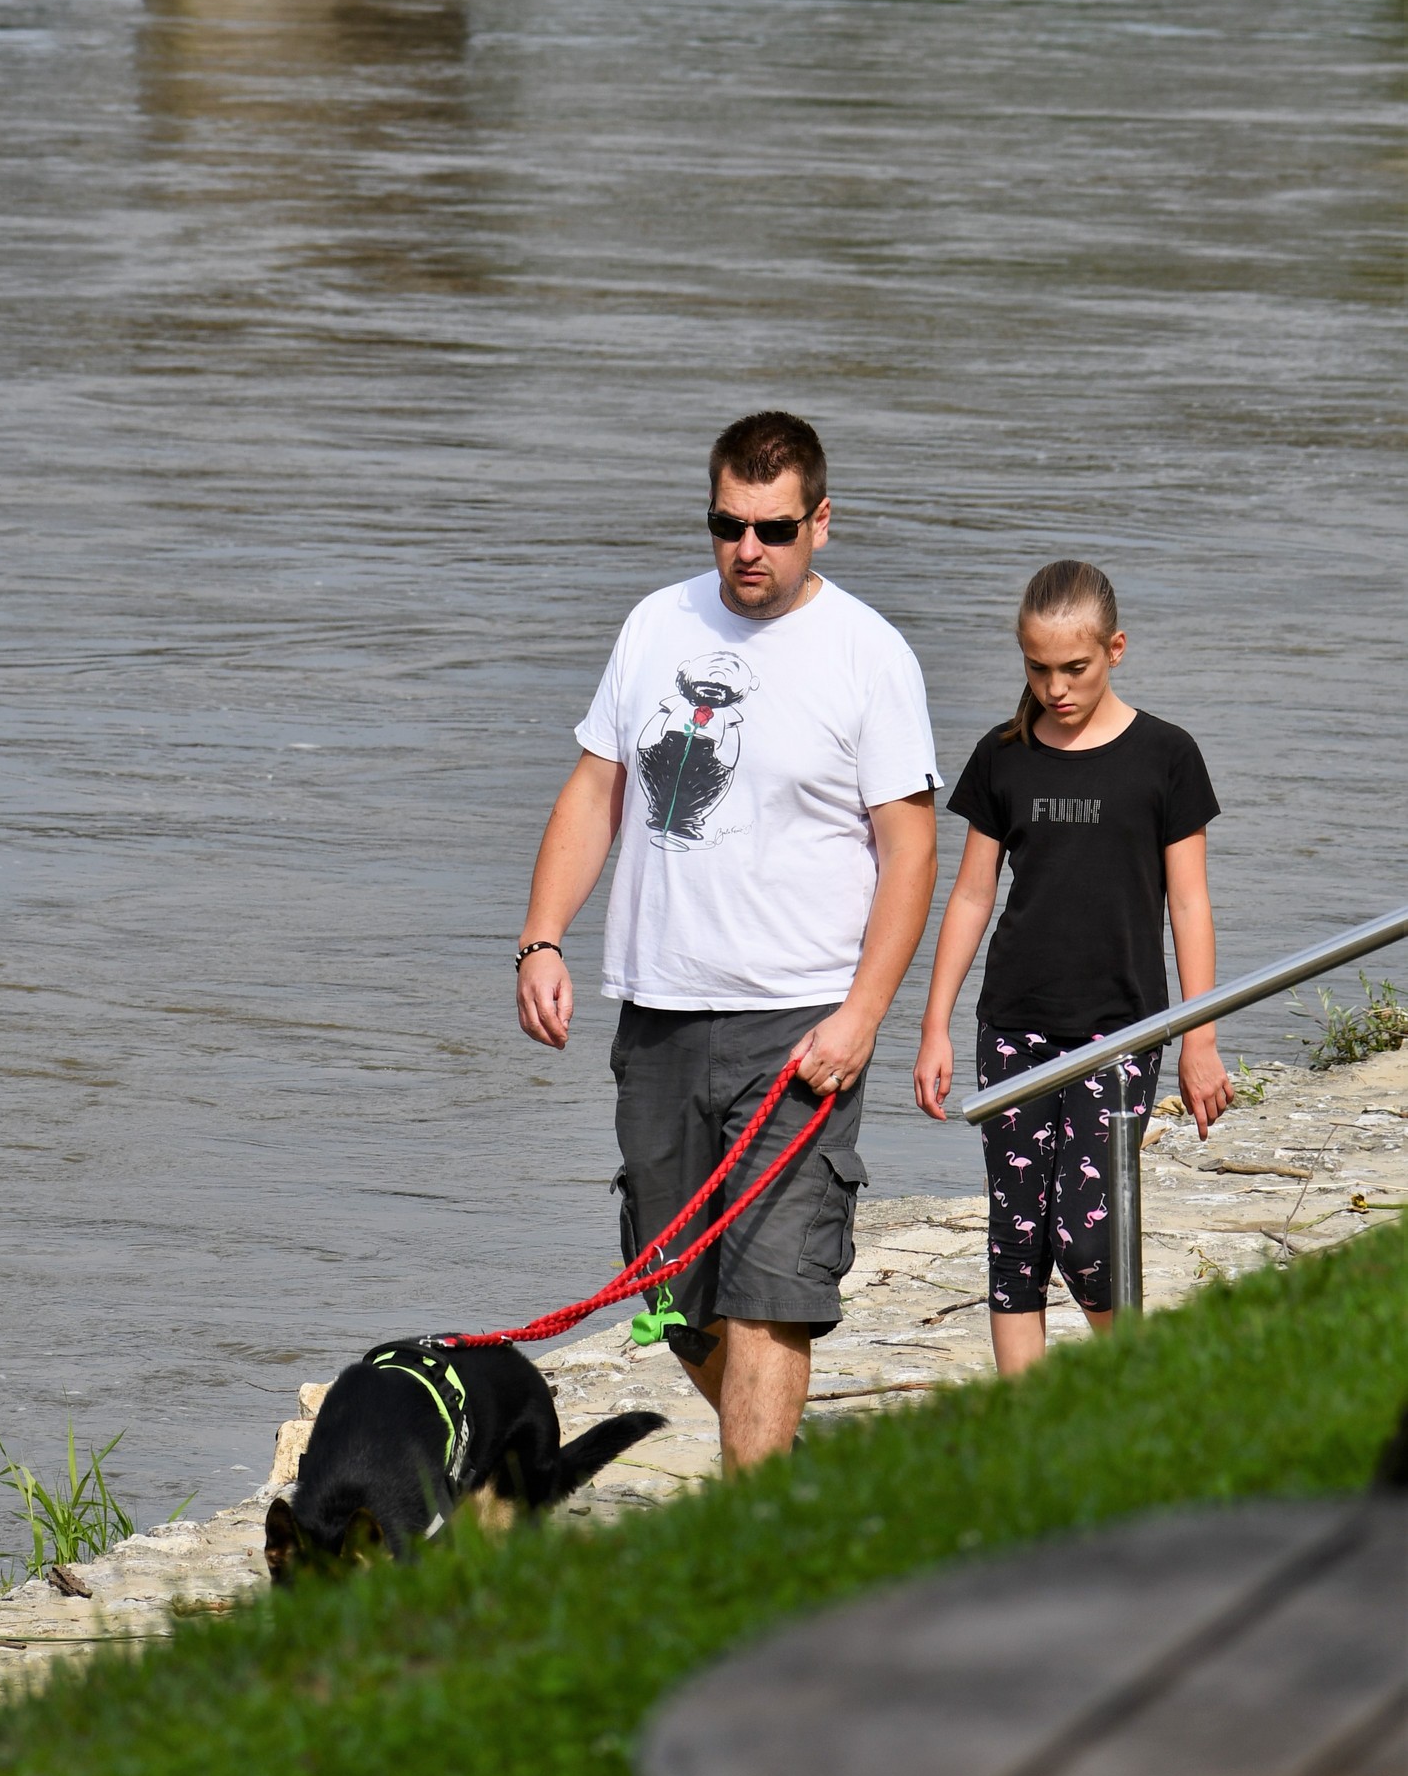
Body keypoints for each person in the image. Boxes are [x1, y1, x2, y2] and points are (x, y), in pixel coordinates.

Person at [515, 411, 939, 1474]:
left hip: (799, 1023)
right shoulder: (657, 624)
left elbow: (912, 853)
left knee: (770, 1293)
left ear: (822, 523)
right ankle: (784, 1465)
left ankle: (753, 1535)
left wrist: (861, 1016)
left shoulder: (869, 656)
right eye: (729, 524)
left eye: (776, 528)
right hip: (657, 1012)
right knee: (669, 1288)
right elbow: (595, 788)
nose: (750, 548)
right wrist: (541, 940)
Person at [913, 559, 1234, 1377]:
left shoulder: (1167, 756)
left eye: (1075, 668)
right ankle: (1030, 1440)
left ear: (1116, 649)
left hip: (1123, 1031)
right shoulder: (1003, 755)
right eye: (1038, 668)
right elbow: (972, 896)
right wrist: (934, 1025)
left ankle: (1132, 1399)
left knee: (1090, 1241)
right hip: (1012, 1026)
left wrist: (1200, 1041)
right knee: (1015, 1239)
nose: (1055, 687)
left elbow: (1189, 906)